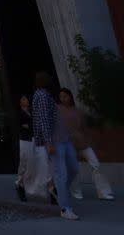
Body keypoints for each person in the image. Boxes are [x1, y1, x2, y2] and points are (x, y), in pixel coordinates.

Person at [33, 72, 79, 220]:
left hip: (64, 138)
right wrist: (48, 142)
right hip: (55, 141)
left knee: (73, 168)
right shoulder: (41, 96)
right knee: (62, 173)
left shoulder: (47, 95)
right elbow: (44, 120)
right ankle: (65, 208)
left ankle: (57, 189)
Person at [59, 88, 116, 201]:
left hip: (82, 142)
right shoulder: (58, 111)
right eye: (61, 96)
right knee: (73, 168)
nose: (63, 98)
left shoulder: (78, 111)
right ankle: (76, 191)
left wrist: (89, 141)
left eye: (65, 96)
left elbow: (84, 128)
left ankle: (103, 192)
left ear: (70, 96)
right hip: (68, 143)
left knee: (95, 165)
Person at [15, 94, 33, 202]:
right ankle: (20, 183)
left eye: (26, 98)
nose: (25, 100)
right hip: (25, 140)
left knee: (31, 162)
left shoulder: (32, 112)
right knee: (24, 162)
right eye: (23, 99)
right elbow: (23, 126)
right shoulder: (20, 114)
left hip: (33, 139)